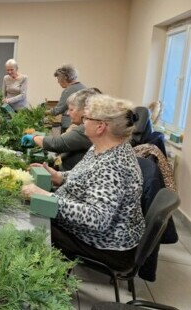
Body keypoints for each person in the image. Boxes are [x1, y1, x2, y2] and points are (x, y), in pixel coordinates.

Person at [21, 94, 144, 271]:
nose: (82, 122)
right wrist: (60, 177)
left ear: (101, 126)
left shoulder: (113, 166)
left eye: (86, 118)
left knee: (31, 225)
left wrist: (47, 196)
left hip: (105, 245)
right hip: (92, 233)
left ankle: (44, 282)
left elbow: (98, 218)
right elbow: (86, 176)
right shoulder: (100, 147)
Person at [21, 88, 101, 170]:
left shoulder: (87, 129)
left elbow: (57, 144)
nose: (67, 113)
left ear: (84, 111)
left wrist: (34, 138)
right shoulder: (81, 126)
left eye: (71, 110)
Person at [50, 64, 86, 133]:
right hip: (81, 124)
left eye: (58, 79)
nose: (58, 82)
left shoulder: (68, 90)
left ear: (64, 79)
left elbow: (58, 110)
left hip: (69, 125)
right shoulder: (83, 87)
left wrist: (44, 112)